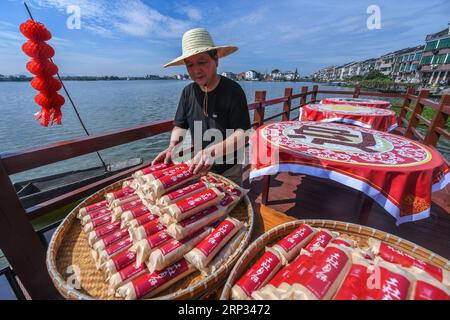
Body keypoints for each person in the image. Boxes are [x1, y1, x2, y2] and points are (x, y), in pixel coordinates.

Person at [152, 28, 251, 184]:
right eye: (189, 65)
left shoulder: (233, 91)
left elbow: (243, 134)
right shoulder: (187, 92)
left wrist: (211, 152)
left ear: (216, 60)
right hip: (199, 168)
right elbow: (180, 126)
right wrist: (172, 146)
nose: (196, 70)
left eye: (202, 62)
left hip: (229, 169)